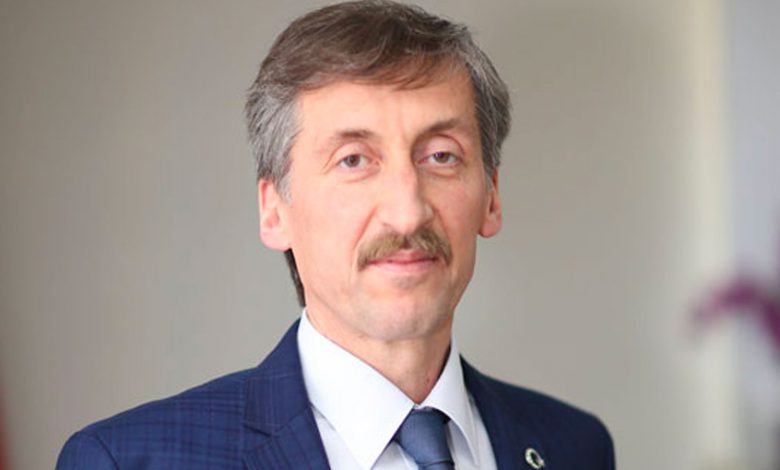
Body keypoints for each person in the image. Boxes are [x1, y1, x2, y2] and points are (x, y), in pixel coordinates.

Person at [57, 1, 615, 469]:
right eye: (353, 160)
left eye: (441, 156)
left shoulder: (575, 447)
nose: (407, 213)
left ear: (490, 195)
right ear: (274, 209)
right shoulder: (129, 460)